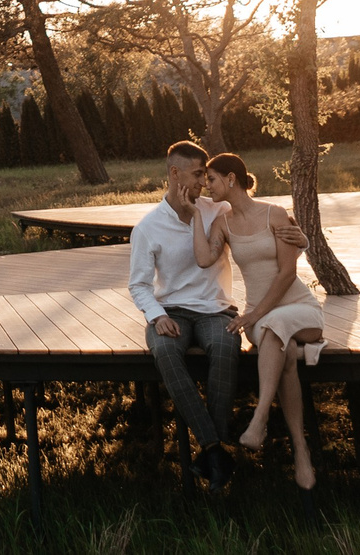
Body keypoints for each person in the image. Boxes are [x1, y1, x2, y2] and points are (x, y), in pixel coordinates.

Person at [126, 140, 305, 491]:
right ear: (174, 174)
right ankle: (215, 448)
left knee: (225, 350)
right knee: (164, 352)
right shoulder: (148, 228)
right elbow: (139, 285)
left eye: (206, 176)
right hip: (171, 311)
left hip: (216, 309)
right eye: (196, 175)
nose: (203, 183)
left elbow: (261, 224)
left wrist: (302, 240)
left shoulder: (217, 210)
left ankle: (211, 452)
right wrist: (156, 315)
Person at [193, 150, 328, 502]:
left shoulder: (275, 214)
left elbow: (287, 274)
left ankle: (261, 418)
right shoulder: (222, 223)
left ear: (231, 179)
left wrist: (252, 316)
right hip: (262, 318)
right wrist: (195, 214)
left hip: (297, 309)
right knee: (281, 353)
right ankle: (301, 449)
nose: (207, 186)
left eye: (211, 179)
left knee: (273, 327)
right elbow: (204, 259)